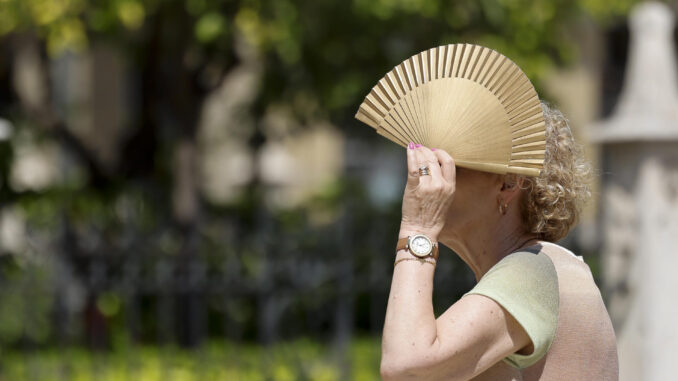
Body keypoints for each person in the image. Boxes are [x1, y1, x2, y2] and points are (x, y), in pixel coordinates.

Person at [380, 102, 619, 381]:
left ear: (508, 183)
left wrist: (417, 228)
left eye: (450, 162)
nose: (432, 173)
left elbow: (405, 367)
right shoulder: (545, 267)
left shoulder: (531, 272)